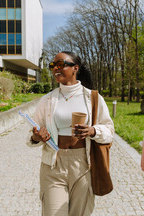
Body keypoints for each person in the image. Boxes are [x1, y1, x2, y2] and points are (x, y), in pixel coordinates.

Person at [27, 51, 114, 216]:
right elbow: (32, 134)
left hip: (83, 163)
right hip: (53, 163)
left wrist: (93, 130)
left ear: (75, 68)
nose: (55, 69)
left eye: (60, 64)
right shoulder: (47, 100)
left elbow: (109, 130)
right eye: (52, 65)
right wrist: (36, 136)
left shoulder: (93, 98)